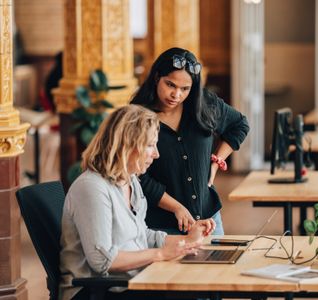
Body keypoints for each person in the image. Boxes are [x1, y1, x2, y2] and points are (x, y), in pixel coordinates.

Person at [58, 105, 215, 300]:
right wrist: (160, 254)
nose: (156, 154)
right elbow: (102, 260)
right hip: (97, 291)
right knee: (193, 294)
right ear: (126, 145)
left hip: (131, 282)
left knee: (202, 286)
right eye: (150, 145)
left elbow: (141, 235)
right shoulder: (92, 187)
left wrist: (186, 241)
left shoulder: (130, 180)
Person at [131, 47, 249, 235]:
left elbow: (240, 125)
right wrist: (176, 207)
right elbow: (137, 175)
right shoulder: (137, 117)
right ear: (156, 77)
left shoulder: (204, 104)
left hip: (210, 222)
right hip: (163, 228)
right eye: (170, 85)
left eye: (185, 89)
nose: (176, 95)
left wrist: (216, 162)